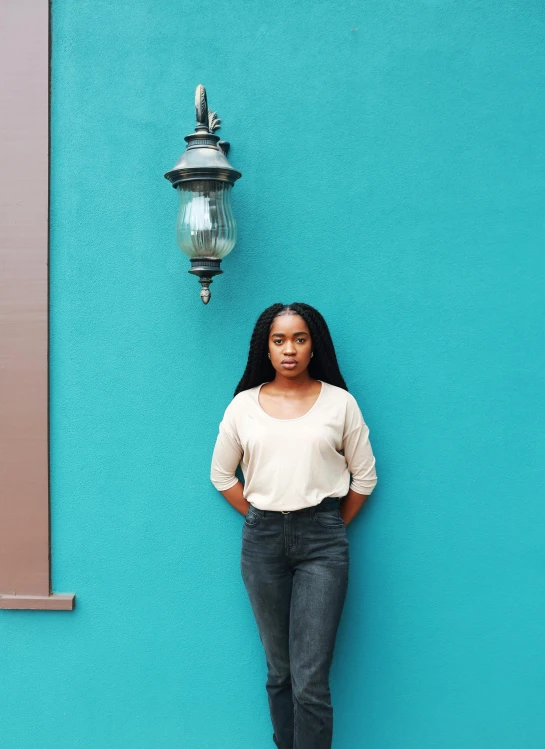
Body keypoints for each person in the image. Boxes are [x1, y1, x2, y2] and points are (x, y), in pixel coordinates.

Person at [210, 302, 378, 749]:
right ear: (265, 347)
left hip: (322, 544)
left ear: (313, 345)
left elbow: (365, 477)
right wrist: (264, 518)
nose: (290, 350)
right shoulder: (243, 407)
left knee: (310, 679)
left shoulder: (340, 403)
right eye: (279, 340)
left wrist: (325, 525)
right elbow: (221, 475)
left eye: (299, 339)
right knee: (280, 671)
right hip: (262, 542)